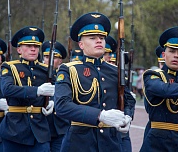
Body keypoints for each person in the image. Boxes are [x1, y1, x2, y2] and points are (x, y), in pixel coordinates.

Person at [54, 12, 134, 152]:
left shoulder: (115, 71)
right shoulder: (69, 70)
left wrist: (127, 116)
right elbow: (62, 105)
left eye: (102, 38)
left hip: (111, 143)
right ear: (81, 44)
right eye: (93, 38)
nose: (99, 41)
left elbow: (128, 100)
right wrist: (100, 115)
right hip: (79, 144)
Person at [0, 26, 55, 152]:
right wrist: (37, 91)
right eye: (28, 46)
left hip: (39, 130)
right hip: (15, 129)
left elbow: (59, 90)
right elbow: (7, 89)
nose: (33, 49)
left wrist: (53, 101)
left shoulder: (46, 70)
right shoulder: (9, 67)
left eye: (36, 46)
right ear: (19, 49)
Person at [42, 40, 70, 152]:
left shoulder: (65, 76)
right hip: (41, 127)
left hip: (60, 127)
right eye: (46, 57)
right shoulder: (37, 75)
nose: (49, 60)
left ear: (60, 60)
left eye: (54, 57)